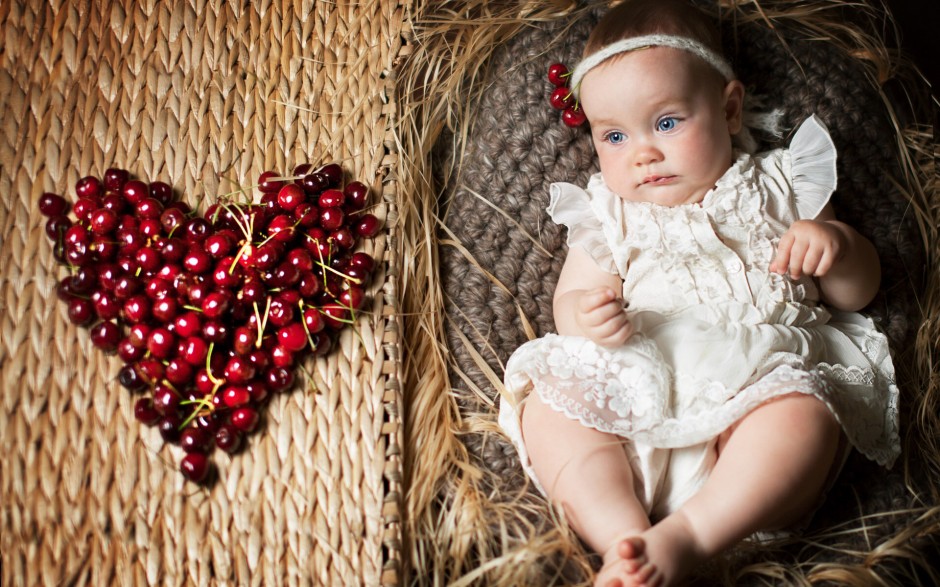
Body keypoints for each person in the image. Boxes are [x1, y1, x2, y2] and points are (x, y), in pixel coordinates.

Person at [498, 1, 900, 585]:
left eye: (666, 122)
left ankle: (688, 536)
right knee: (550, 404)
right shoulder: (609, 212)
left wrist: (835, 246)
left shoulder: (782, 183)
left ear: (730, 109)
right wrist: (588, 318)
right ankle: (623, 538)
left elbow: (857, 296)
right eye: (614, 135)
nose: (644, 152)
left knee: (806, 416)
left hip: (757, 397)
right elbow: (572, 300)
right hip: (637, 389)